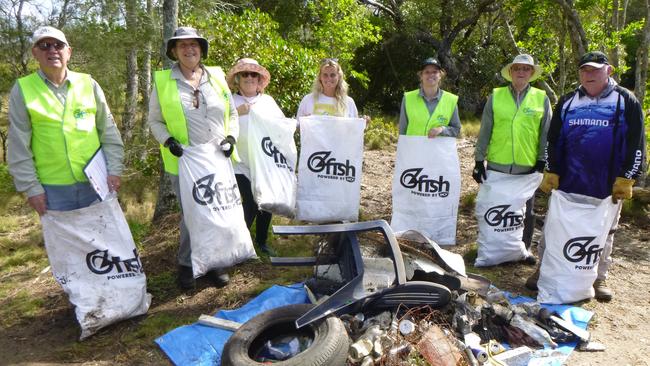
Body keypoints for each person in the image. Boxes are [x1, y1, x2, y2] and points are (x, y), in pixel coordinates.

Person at [527, 51, 646, 301]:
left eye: (594, 70)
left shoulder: (626, 100)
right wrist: (551, 170)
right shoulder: (569, 100)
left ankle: (598, 277)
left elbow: (636, 142)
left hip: (607, 185)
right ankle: (543, 270)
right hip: (568, 181)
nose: (588, 74)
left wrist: (628, 176)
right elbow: (553, 140)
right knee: (554, 227)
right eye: (584, 70)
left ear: (609, 71)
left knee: (605, 232)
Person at [147, 27, 238, 290]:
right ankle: (187, 264)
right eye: (182, 45)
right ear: (174, 51)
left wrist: (231, 137)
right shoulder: (164, 82)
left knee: (217, 209)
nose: (189, 49)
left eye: (194, 45)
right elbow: (155, 120)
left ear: (201, 49)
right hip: (185, 162)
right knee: (192, 214)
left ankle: (215, 262)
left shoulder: (217, 77)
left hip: (217, 159)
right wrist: (167, 140)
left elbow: (231, 113)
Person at [8, 26, 124, 214]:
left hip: (96, 183)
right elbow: (18, 145)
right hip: (52, 190)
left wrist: (115, 169)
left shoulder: (89, 83)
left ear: (68, 52)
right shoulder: (22, 89)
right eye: (44, 45)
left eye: (58, 45)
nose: (52, 50)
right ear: (35, 53)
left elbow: (109, 131)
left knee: (103, 241)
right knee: (65, 243)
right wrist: (31, 188)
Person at [473, 54, 551, 259]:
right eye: (517, 68)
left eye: (526, 69)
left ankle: (523, 250)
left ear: (532, 73)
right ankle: (490, 247)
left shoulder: (541, 98)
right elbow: (485, 130)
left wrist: (543, 160)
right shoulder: (496, 96)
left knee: (526, 210)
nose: (521, 72)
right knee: (492, 206)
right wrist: (479, 160)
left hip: (527, 165)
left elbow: (546, 133)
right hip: (498, 164)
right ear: (511, 72)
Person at [226, 58, 284, 256]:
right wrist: (235, 112)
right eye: (245, 74)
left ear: (259, 80)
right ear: (238, 79)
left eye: (253, 74)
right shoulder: (229, 101)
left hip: (264, 162)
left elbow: (281, 126)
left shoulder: (267, 102)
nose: (249, 78)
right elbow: (217, 125)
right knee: (250, 201)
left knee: (265, 201)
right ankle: (238, 245)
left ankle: (261, 242)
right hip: (238, 163)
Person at [398, 57, 461, 137]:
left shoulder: (451, 100)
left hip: (438, 149)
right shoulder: (408, 98)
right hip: (413, 148)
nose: (431, 75)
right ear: (421, 76)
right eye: (427, 72)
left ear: (440, 75)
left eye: (434, 72)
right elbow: (402, 131)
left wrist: (442, 129)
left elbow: (456, 129)